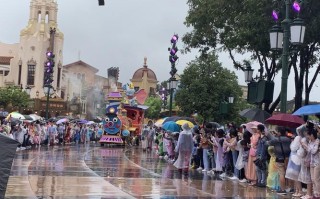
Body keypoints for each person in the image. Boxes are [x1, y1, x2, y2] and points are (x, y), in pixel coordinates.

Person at [267, 126, 291, 195]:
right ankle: (289, 188)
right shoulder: (288, 139)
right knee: (288, 174)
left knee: (281, 174)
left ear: (279, 132)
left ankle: (283, 190)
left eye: (277, 131)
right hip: (288, 159)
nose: (276, 133)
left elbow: (268, 143)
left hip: (279, 159)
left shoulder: (276, 139)